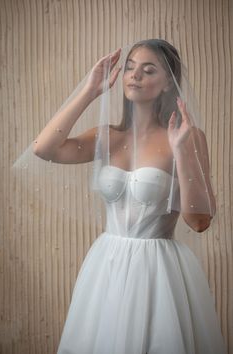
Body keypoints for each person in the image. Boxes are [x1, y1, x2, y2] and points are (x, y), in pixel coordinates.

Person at [33, 39, 226, 354]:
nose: (135, 75)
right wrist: (90, 90)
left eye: (148, 70)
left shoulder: (188, 137)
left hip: (158, 270)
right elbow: (44, 149)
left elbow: (200, 221)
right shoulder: (108, 137)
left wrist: (181, 152)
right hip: (106, 263)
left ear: (168, 84)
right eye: (130, 67)